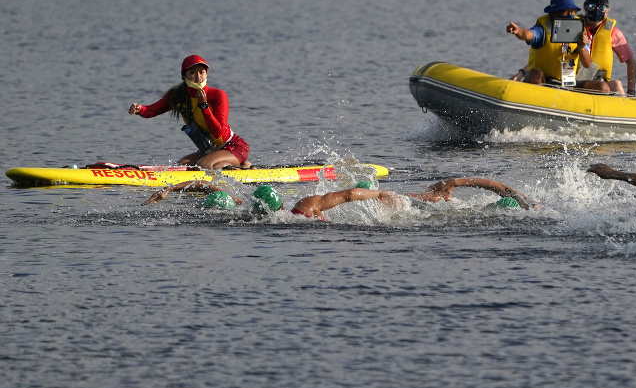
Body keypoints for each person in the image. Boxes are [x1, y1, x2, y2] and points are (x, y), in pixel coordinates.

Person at [142, 177, 533, 221]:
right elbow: (210, 187)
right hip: (404, 199)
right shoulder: (293, 213)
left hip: (410, 201)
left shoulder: (304, 207)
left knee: (500, 209)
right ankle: (512, 202)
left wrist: (381, 193)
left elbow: (346, 194)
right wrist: (168, 191)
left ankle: (512, 202)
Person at [129, 55, 251, 170]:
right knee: (180, 166)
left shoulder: (218, 95)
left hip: (234, 147)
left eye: (201, 72)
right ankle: (240, 165)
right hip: (210, 150)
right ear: (184, 77)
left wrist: (204, 106)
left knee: (204, 164)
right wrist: (139, 109)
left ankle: (244, 168)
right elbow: (150, 111)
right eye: (192, 73)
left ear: (206, 74)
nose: (198, 77)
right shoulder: (178, 95)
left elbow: (218, 132)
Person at [507, 0, 582, 85]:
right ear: (554, 13)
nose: (570, 15)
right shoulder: (542, 30)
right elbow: (528, 34)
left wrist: (582, 46)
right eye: (566, 11)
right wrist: (518, 31)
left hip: (568, 82)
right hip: (543, 81)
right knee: (535, 74)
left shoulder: (579, 28)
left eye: (573, 11)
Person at [574, 0, 636, 95]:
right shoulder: (574, 27)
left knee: (616, 84)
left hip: (598, 79)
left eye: (602, 7)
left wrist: (631, 90)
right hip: (575, 79)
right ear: (585, 8)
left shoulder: (613, 32)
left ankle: (626, 107)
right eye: (592, 6)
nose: (596, 10)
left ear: (607, 11)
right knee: (603, 88)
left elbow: (631, 62)